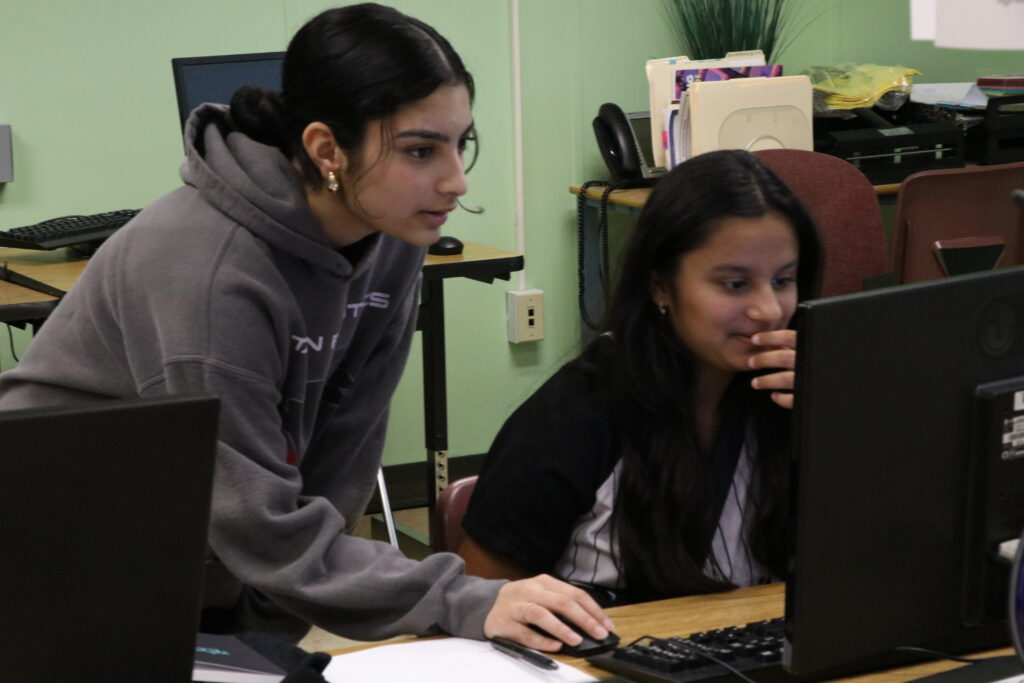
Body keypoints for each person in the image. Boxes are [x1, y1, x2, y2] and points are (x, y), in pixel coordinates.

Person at [0, 3, 612, 651]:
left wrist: (263, 645)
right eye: (419, 150)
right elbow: (258, 525)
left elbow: (339, 463)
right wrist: (459, 597)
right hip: (52, 559)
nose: (455, 180)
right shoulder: (210, 270)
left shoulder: (393, 239)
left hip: (188, 555)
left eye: (461, 144)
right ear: (326, 149)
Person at [460, 149, 823, 606]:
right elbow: (483, 601)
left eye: (783, 280)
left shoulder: (798, 393)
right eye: (734, 284)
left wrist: (836, 429)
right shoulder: (576, 413)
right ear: (661, 285)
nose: (769, 310)